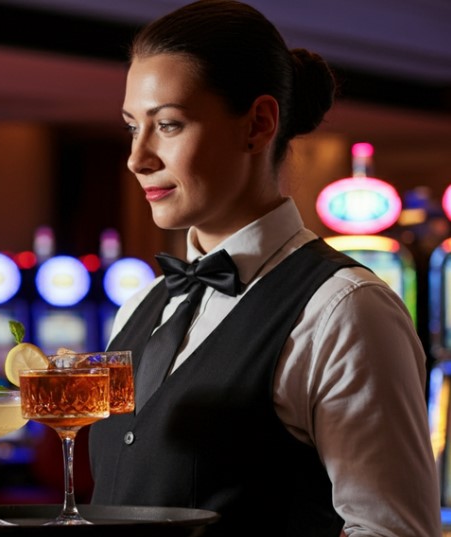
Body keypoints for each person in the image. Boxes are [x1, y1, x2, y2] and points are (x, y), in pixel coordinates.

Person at [87, 1, 441, 536]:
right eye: (132, 127)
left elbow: (393, 530)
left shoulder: (345, 310)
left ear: (258, 124)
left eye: (168, 125)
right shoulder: (142, 303)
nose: (138, 157)